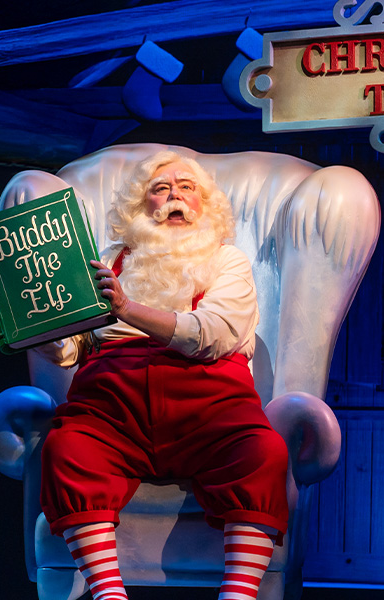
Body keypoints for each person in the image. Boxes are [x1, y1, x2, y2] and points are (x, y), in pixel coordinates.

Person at [35, 151, 289, 600]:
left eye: (186, 187)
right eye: (161, 188)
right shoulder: (106, 262)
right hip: (112, 411)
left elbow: (213, 333)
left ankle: (239, 595)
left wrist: (128, 310)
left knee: (261, 452)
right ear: (141, 206)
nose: (175, 196)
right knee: (67, 448)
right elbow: (70, 348)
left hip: (210, 411)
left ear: (204, 205)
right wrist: (29, 323)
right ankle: (108, 593)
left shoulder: (227, 261)